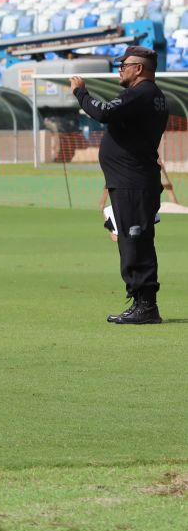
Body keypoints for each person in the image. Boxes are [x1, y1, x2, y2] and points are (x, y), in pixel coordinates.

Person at [71, 45, 170, 325]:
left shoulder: (141, 94)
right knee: (133, 241)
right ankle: (142, 303)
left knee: (135, 243)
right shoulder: (152, 96)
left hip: (132, 183)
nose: (120, 70)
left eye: (123, 66)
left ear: (138, 68)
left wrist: (80, 92)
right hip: (133, 181)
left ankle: (145, 306)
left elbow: (102, 112)